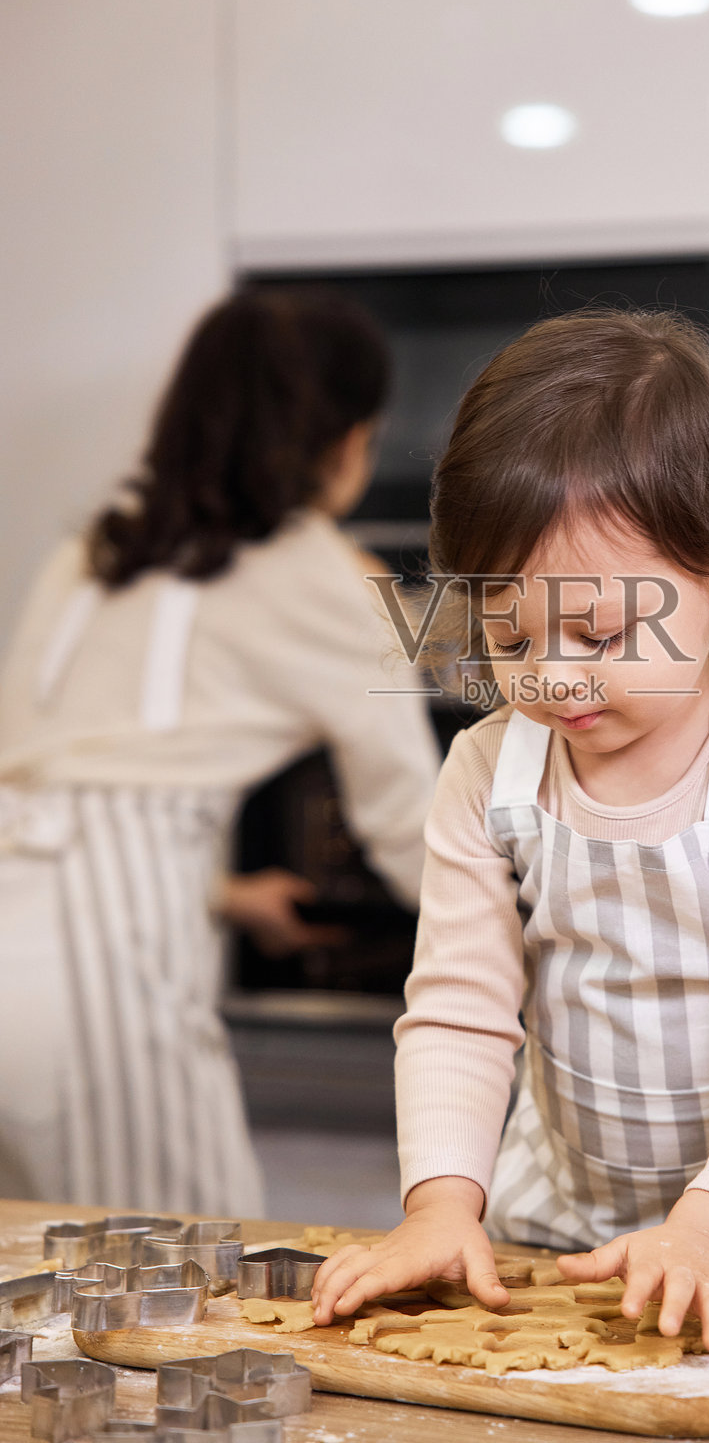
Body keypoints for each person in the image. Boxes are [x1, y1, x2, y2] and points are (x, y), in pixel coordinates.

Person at [311, 308, 709, 1351]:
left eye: (599, 630)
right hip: (546, 1235)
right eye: (509, 631)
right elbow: (458, 1012)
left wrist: (705, 1231)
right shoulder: (485, 769)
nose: (551, 673)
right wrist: (441, 1205)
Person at [0, 289, 440, 1215]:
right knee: (192, 1278)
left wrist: (227, 896)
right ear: (344, 437)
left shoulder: (92, 551)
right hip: (98, 983)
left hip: (34, 926)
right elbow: (414, 832)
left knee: (31, 1301)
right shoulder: (323, 573)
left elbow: (57, 791)